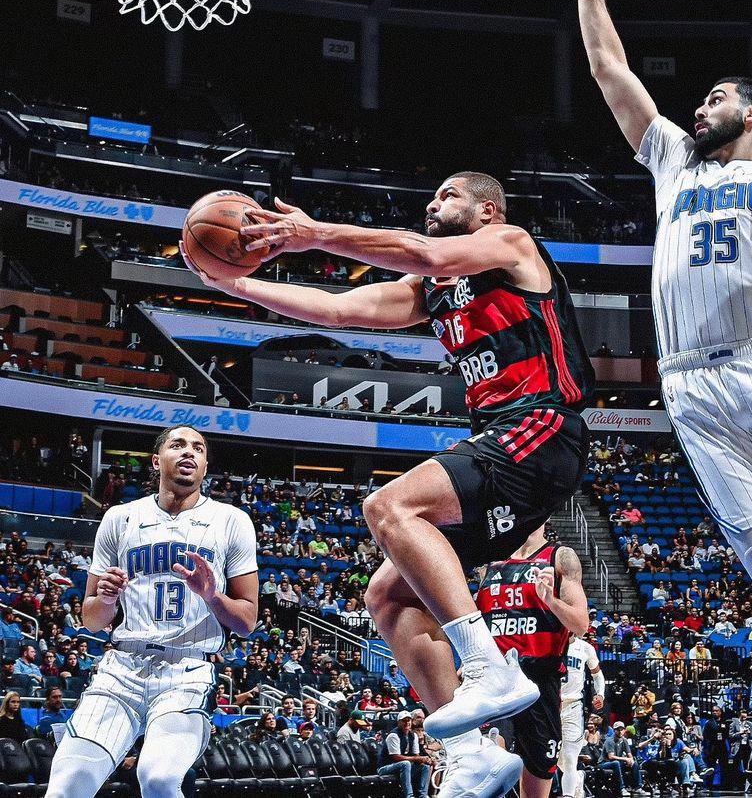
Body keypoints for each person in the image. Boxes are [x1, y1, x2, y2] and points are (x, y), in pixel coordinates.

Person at [182, 171, 595, 797]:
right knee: (387, 598)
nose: (432, 202)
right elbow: (344, 308)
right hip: (506, 443)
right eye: (429, 195)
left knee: (389, 506)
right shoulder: (434, 291)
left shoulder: (512, 245)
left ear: (486, 210)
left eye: (447, 195)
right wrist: (238, 283)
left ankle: (488, 668)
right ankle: (471, 752)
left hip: (542, 426)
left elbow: (422, 250)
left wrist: (312, 234)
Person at [578, 0, 752, 719]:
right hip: (689, 388)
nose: (700, 106)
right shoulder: (672, 165)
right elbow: (611, 71)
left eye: (718, 97)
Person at [44, 425, 258, 798]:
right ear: (158, 461)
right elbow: (91, 620)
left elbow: (247, 622)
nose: (189, 452)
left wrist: (212, 595)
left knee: (158, 779)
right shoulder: (119, 518)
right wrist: (107, 599)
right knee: (66, 785)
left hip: (188, 670)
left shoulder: (232, 520)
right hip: (123, 668)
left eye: (199, 448)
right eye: (178, 445)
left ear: (205, 466)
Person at [476, 528, 591, 798]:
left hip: (541, 682)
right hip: (497, 678)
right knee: (492, 755)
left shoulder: (560, 558)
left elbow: (581, 624)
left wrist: (550, 601)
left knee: (539, 776)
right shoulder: (487, 561)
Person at [558, 632, 605, 798]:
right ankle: (578, 778)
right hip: (550, 706)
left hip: (573, 707)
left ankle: (568, 795)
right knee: (558, 761)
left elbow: (597, 675)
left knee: (570, 758)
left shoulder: (585, 648)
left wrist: (600, 694)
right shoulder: (549, 642)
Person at [376, 711, 432, 798]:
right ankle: (409, 796)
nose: (407, 723)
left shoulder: (413, 735)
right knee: (405, 763)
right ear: (399, 722)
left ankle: (423, 795)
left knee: (425, 766)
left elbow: (416, 755)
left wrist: (424, 759)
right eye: (404, 721)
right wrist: (418, 759)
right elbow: (396, 758)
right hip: (385, 768)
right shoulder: (393, 735)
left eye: (408, 720)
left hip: (402, 766)